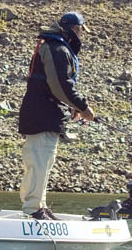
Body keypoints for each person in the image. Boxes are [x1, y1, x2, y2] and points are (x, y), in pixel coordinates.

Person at [17, 12, 95, 220]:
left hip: (45, 113)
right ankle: (33, 209)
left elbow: (55, 86)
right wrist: (82, 106)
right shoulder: (56, 49)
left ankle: (39, 205)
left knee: (44, 161)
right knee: (39, 161)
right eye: (79, 30)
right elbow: (60, 84)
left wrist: (72, 106)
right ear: (70, 30)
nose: (81, 35)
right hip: (41, 114)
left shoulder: (56, 48)